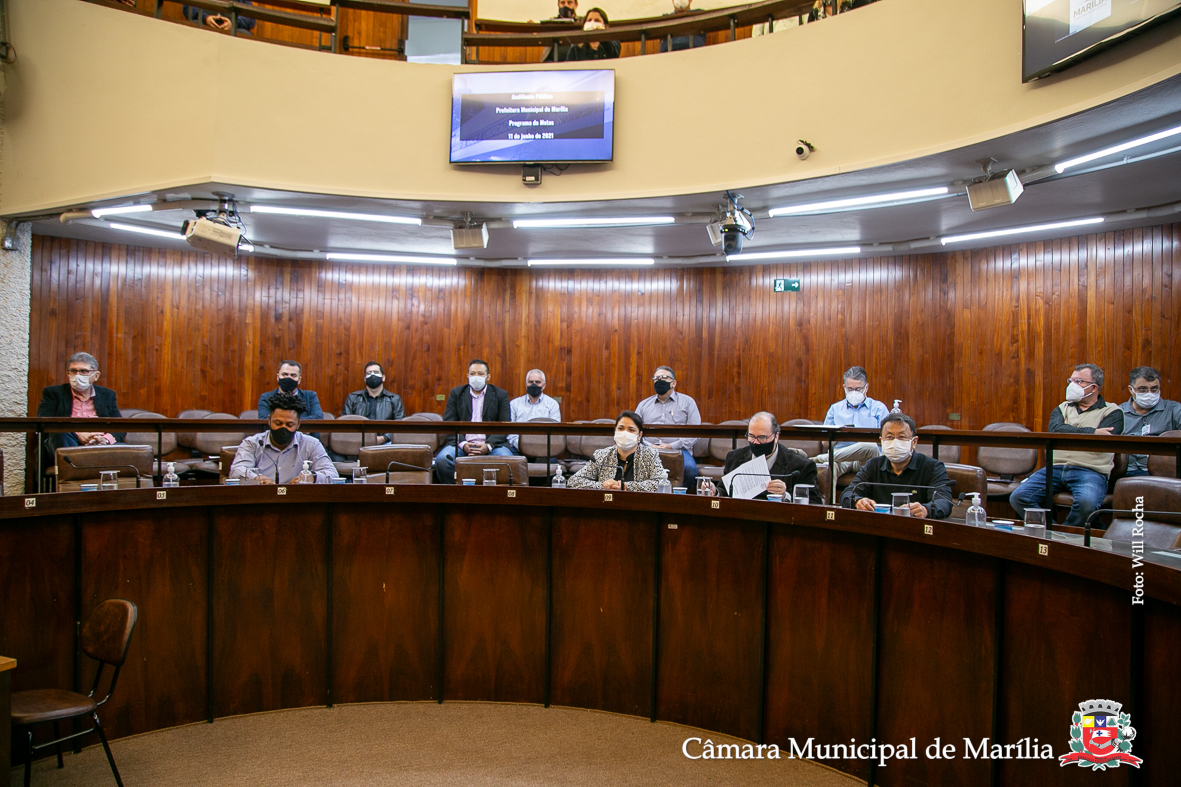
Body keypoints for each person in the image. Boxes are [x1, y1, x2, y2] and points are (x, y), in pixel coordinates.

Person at [1010, 364, 1124, 529]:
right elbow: (1055, 430)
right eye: (1071, 380)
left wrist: (1070, 431)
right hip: (1055, 468)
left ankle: (1062, 536)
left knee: (1086, 504)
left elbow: (1102, 441)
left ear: (1094, 387)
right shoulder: (1062, 408)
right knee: (1019, 497)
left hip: (1090, 471)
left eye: (1079, 381)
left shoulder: (1113, 412)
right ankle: (1053, 532)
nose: (1072, 385)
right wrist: (1092, 431)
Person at [840, 413, 954, 519]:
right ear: (881, 441)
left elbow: (944, 501)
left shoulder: (932, 467)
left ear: (914, 442)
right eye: (889, 437)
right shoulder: (873, 465)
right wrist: (858, 501)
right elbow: (848, 494)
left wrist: (926, 509)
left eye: (902, 437)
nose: (895, 442)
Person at [228, 392, 339, 484]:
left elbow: (333, 475)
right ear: (269, 420)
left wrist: (312, 477)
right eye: (278, 423)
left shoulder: (311, 444)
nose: (283, 428)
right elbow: (236, 471)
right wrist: (256, 478)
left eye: (289, 425)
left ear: (298, 424)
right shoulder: (252, 443)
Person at [711, 412, 823, 502]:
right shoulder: (734, 457)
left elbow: (814, 503)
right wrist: (715, 492)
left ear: (776, 436)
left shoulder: (801, 466)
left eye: (762, 437)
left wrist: (785, 496)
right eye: (751, 436)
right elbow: (724, 491)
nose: (756, 442)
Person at [435, 359, 514, 484]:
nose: (476, 377)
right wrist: (464, 445)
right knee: (442, 460)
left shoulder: (500, 395)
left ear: (488, 377)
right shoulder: (456, 393)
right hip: (461, 445)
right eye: (472, 374)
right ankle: (455, 493)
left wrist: (488, 446)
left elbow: (505, 425)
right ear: (467, 375)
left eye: (480, 374)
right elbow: (449, 423)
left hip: (493, 446)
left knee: (509, 461)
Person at [36, 352, 125, 454]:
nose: (77, 375)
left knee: (127, 451)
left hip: (99, 444)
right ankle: (72, 463)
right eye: (73, 371)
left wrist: (105, 439)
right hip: (68, 441)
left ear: (96, 376)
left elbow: (120, 427)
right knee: (61, 434)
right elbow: (44, 422)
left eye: (84, 371)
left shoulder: (107, 395)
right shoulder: (54, 393)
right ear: (68, 374)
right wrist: (77, 434)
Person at [814, 366, 889, 477]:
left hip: (867, 458)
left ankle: (817, 459)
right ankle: (825, 463)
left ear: (866, 387)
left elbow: (887, 440)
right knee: (826, 468)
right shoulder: (835, 409)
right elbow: (825, 443)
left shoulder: (879, 408)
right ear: (844, 387)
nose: (854, 393)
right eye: (850, 389)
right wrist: (838, 434)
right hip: (841, 458)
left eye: (858, 389)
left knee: (869, 446)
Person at [635, 366, 702, 490]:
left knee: (690, 470)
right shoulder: (643, 405)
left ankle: (678, 498)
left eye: (664, 377)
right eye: (656, 378)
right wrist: (649, 445)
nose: (659, 381)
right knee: (630, 468)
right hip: (648, 449)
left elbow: (695, 432)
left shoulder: (688, 402)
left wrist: (671, 446)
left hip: (679, 450)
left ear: (674, 383)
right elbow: (634, 430)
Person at [569, 411, 665, 492]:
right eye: (621, 428)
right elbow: (574, 481)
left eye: (631, 430)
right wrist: (602, 486)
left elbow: (661, 483)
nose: (625, 433)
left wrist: (626, 486)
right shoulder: (601, 455)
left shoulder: (650, 454)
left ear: (639, 435)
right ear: (615, 431)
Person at [1119, 366, 1181, 477]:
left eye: (1154, 389)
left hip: (1164, 474)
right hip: (1127, 472)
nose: (1149, 393)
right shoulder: (1118, 412)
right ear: (1131, 390)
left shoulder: (1174, 410)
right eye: (1142, 389)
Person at [340, 361, 404, 444]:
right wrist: (359, 439)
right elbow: (344, 423)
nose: (372, 375)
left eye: (376, 372)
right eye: (369, 373)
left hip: (386, 442)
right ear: (364, 379)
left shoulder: (394, 399)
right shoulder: (353, 398)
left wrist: (384, 438)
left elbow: (400, 424)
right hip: (357, 442)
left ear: (383, 377)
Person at [508, 369, 561, 454]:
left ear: (544, 385)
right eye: (530, 382)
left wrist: (539, 447)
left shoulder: (552, 404)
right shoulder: (514, 404)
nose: (534, 385)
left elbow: (555, 432)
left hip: (544, 449)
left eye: (537, 382)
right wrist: (522, 445)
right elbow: (510, 431)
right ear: (526, 384)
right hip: (519, 448)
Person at [257, 361, 324, 420]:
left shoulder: (310, 396)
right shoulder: (266, 397)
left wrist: (282, 421)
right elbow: (264, 420)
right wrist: (294, 422)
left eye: (293, 375)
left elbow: (318, 417)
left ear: (299, 380)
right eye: (284, 374)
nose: (288, 378)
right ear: (278, 377)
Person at [183, 2, 256, 34]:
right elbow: (188, 7)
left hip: (232, 29)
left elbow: (251, 17)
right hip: (203, 23)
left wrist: (233, 23)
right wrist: (205, 17)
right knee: (193, 27)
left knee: (245, 34)